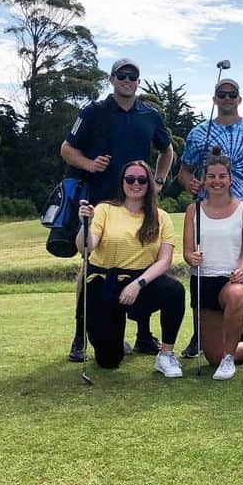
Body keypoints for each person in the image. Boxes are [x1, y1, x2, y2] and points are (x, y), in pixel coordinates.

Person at [61, 59, 175, 363]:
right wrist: (90, 165)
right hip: (102, 202)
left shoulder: (150, 115)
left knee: (143, 260)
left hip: (141, 201)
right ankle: (80, 334)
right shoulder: (93, 111)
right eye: (121, 75)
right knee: (90, 266)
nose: (127, 80)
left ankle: (143, 335)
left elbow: (167, 150)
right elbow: (67, 149)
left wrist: (159, 181)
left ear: (138, 81)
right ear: (112, 79)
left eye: (132, 76)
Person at [178, 77, 243, 358]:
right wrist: (190, 184)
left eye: (232, 94)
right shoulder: (199, 133)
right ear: (215, 98)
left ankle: (237, 338)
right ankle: (203, 336)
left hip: (241, 211)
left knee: (237, 269)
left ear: (239, 99)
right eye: (222, 94)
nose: (228, 98)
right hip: (207, 209)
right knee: (205, 267)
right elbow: (184, 172)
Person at [75, 159, 186, 376]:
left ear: (149, 183)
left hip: (140, 282)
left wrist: (138, 284)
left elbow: (164, 261)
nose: (136, 183)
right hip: (103, 281)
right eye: (130, 179)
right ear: (122, 182)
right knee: (108, 360)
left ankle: (165, 355)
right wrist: (84, 225)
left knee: (174, 290)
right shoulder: (105, 209)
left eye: (142, 179)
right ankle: (117, 343)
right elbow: (86, 248)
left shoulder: (161, 217)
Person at [182, 147, 243, 380]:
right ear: (204, 180)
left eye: (222, 176)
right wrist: (190, 257)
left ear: (230, 179)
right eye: (211, 176)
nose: (217, 181)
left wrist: (242, 270)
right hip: (203, 281)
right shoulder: (193, 210)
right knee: (211, 356)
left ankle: (229, 360)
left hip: (232, 280)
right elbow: (187, 250)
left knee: (237, 294)